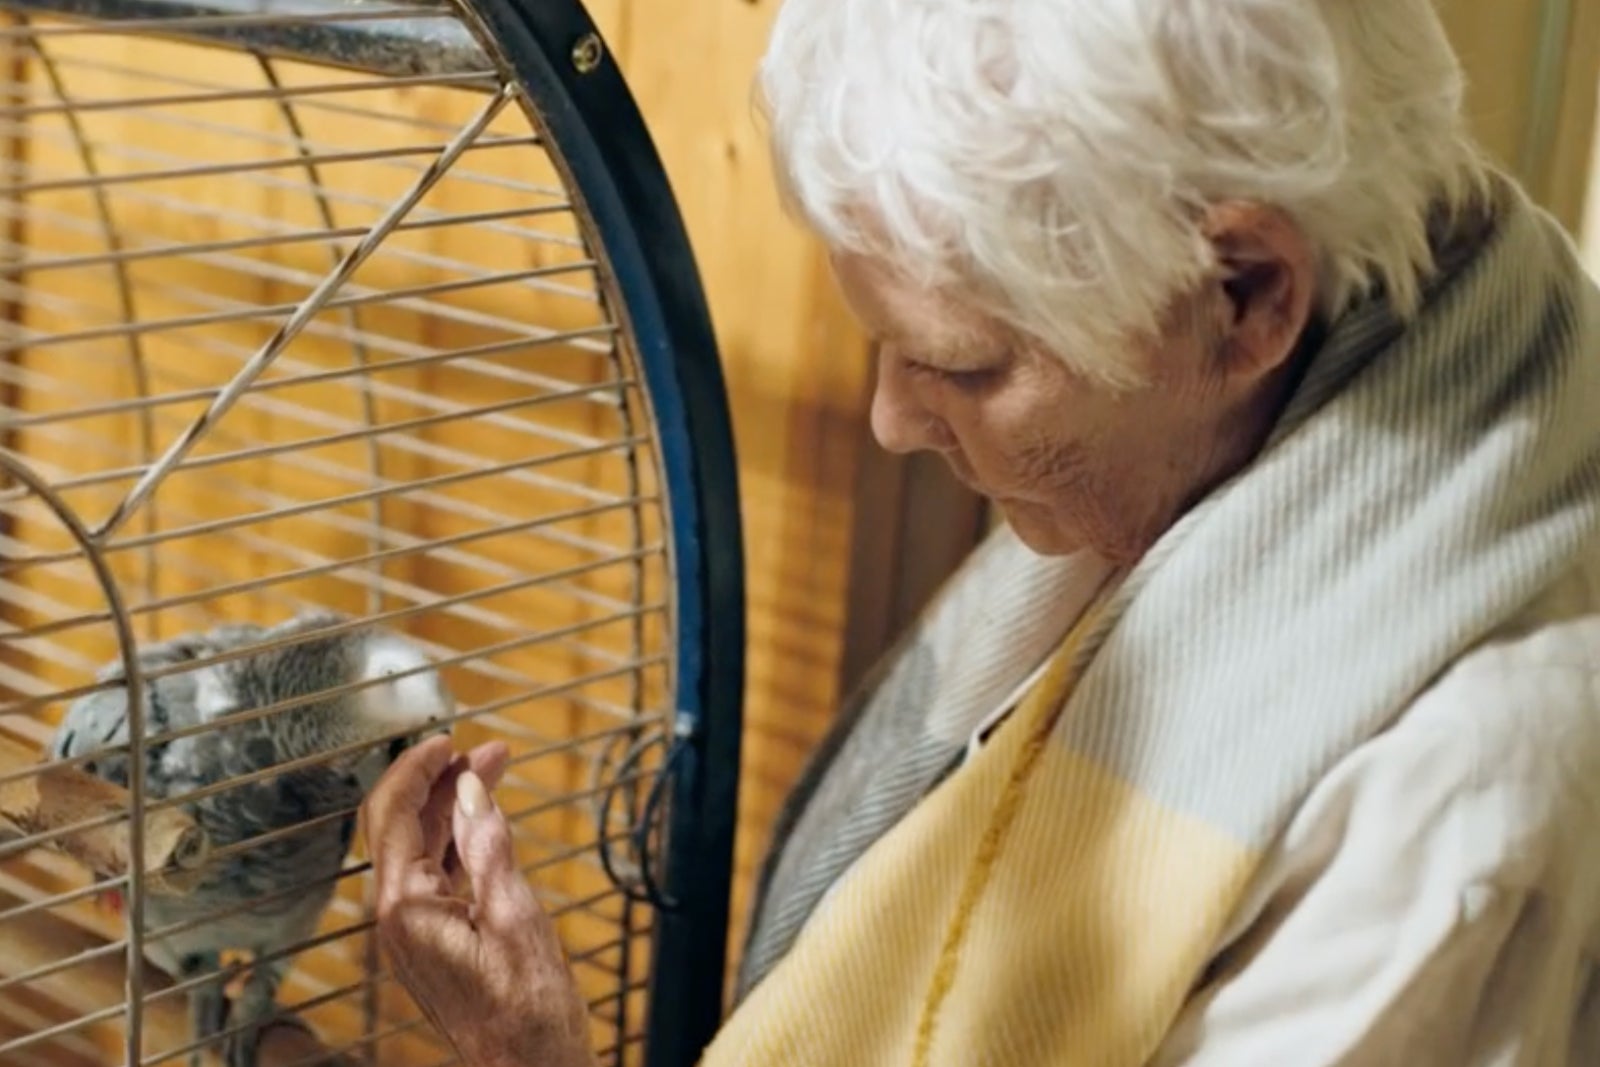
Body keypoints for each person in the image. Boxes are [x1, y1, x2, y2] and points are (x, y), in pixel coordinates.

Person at [361, 0, 1600, 1063]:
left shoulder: (1453, 805)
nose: (894, 419)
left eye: (960, 362)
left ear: (1244, 294)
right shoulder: (1229, 434)